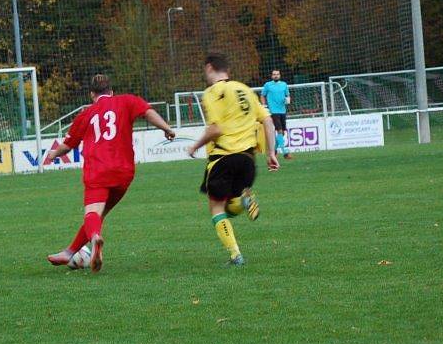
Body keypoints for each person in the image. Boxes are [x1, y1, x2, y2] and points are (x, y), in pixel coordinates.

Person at [46, 74, 176, 272]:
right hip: (124, 172)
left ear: (92, 94)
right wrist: (167, 128)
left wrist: (54, 153)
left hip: (98, 171)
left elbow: (67, 145)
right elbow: (148, 112)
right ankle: (69, 252)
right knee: (99, 215)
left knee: (92, 214)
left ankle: (94, 238)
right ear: (111, 92)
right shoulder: (127, 101)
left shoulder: (86, 114)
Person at [186, 53, 278, 266]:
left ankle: (236, 255)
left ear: (209, 68)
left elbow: (216, 129)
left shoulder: (212, 92)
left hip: (223, 159)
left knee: (216, 208)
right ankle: (244, 198)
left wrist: (195, 146)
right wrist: (271, 153)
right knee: (230, 206)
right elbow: (268, 122)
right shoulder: (245, 90)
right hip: (248, 160)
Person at [260, 69, 292, 160]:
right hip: (273, 111)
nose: (276, 76)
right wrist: (264, 106)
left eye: (277, 74)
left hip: (283, 111)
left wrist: (288, 99)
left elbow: (288, 95)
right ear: (271, 76)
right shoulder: (268, 85)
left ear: (280, 75)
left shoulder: (284, 85)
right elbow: (262, 95)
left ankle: (274, 151)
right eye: (274, 74)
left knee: (282, 133)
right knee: (280, 131)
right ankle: (285, 151)